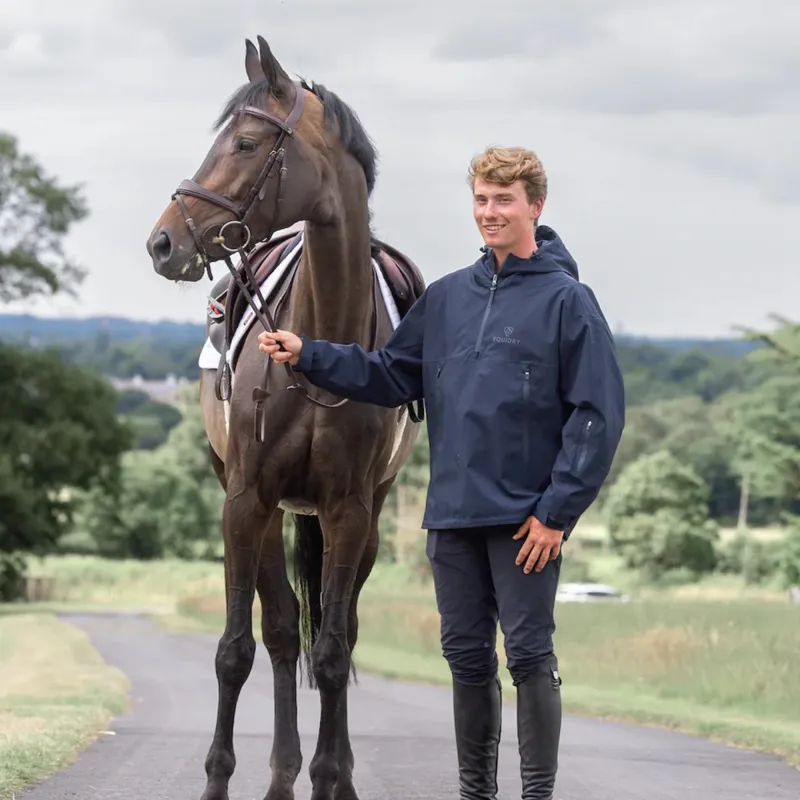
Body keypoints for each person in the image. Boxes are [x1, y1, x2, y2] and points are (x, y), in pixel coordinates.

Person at [258, 146, 625, 800]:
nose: (489, 212)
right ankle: (474, 794)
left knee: (531, 658)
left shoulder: (569, 301)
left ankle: (536, 795)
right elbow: (391, 374)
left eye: (503, 200)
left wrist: (556, 513)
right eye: (482, 199)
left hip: (525, 524)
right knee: (465, 659)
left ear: (534, 207)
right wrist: (308, 353)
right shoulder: (449, 297)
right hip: (452, 519)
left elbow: (597, 416)